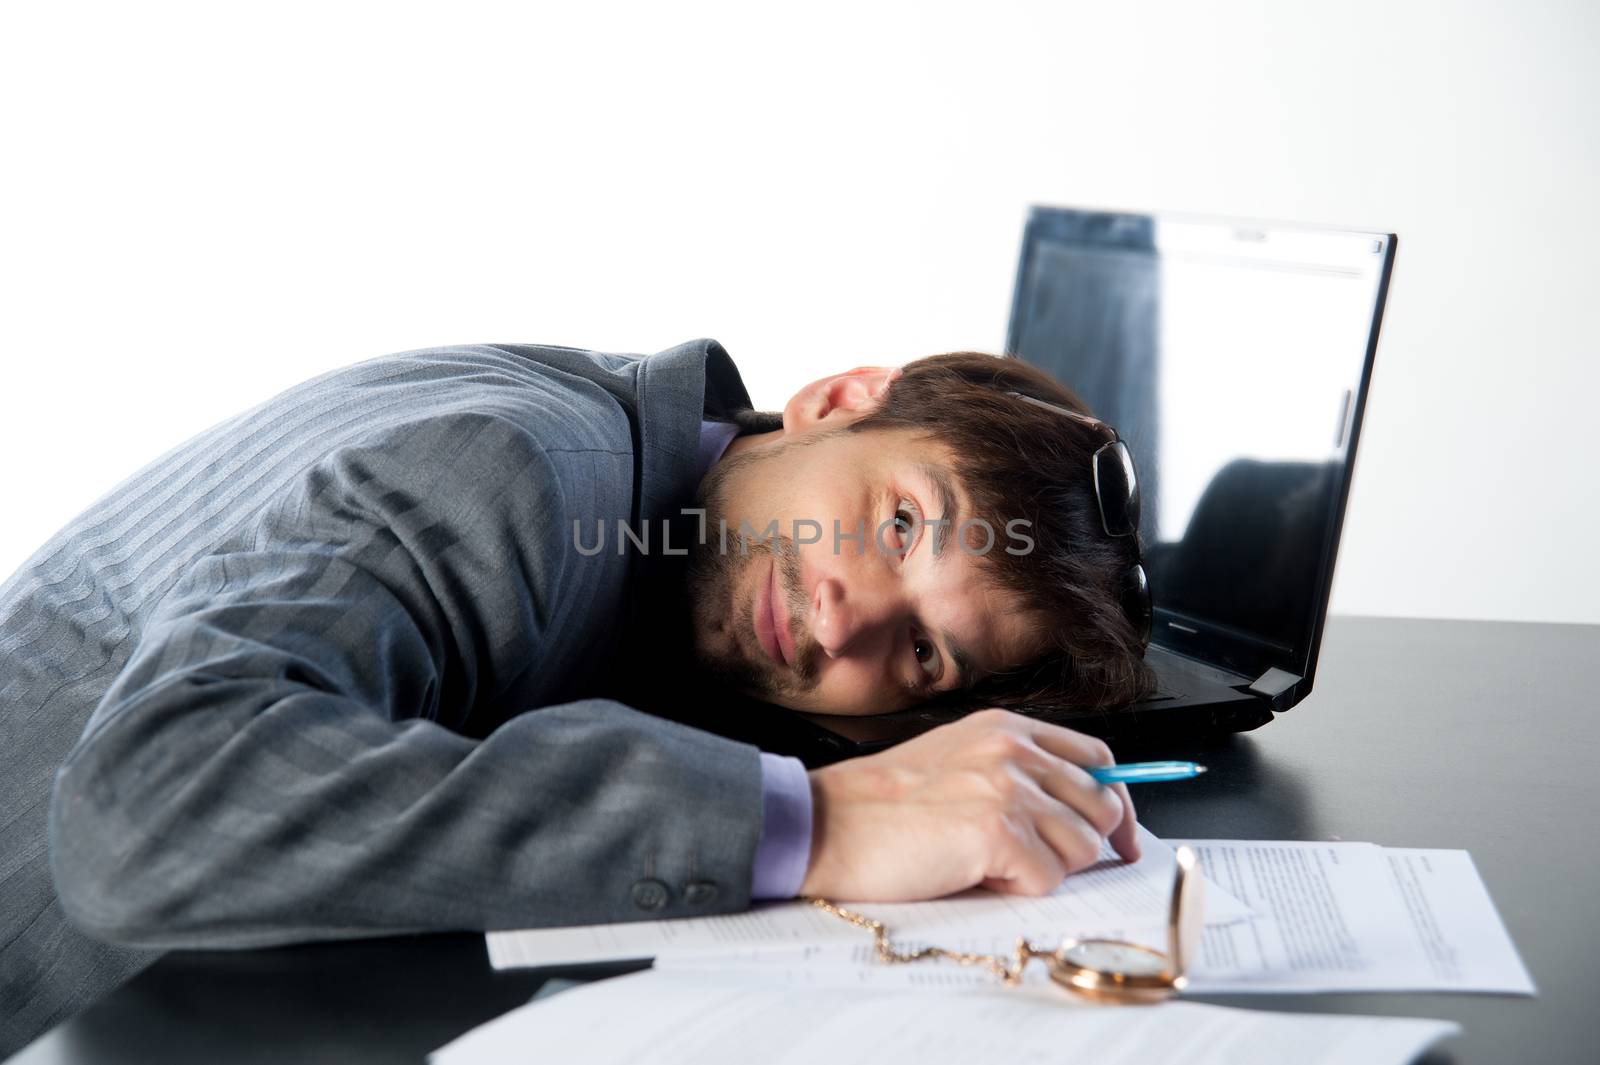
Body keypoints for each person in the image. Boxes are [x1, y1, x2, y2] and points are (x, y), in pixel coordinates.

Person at [0, 338, 1153, 1054]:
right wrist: (829, 822)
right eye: (901, 521)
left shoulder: (649, 484)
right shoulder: (515, 474)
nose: (847, 616)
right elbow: (145, 811)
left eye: (924, 657)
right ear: (840, 397)